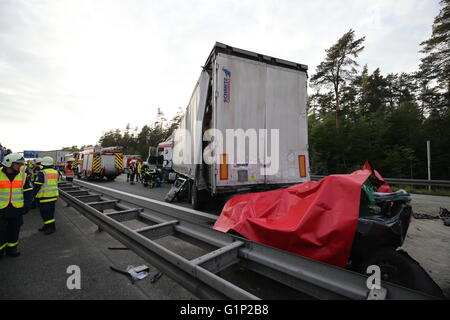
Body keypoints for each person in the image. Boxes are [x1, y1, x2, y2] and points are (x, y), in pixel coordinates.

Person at [0, 153, 33, 258]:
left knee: (14, 231)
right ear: (9, 163)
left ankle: (12, 249)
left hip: (17, 209)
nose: (20, 166)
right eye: (18, 164)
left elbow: (28, 191)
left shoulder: (22, 175)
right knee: (1, 232)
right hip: (1, 210)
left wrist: (27, 205)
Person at [33, 156, 59, 235]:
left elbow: (37, 186)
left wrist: (32, 195)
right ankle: (47, 225)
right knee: (50, 212)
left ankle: (51, 228)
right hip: (53, 196)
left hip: (44, 197)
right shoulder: (55, 172)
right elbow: (57, 183)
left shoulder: (42, 173)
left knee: (45, 213)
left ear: (43, 164)